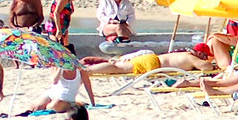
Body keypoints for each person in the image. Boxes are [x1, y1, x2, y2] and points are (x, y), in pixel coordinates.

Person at [82, 46, 214, 76]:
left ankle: (88, 66)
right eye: (204, 55)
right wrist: (211, 64)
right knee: (118, 69)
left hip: (152, 59)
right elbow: (206, 67)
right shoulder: (191, 58)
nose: (205, 58)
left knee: (116, 65)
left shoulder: (184, 53)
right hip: (154, 64)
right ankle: (88, 71)